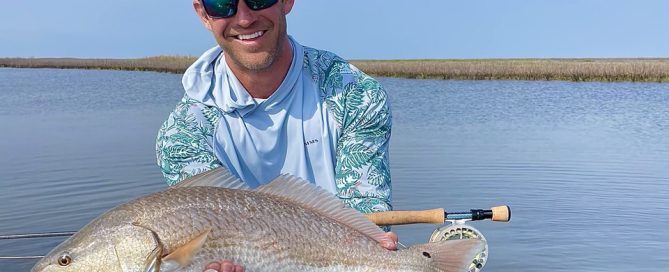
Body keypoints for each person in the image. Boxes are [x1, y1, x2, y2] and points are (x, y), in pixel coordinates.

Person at [156, 0, 395, 271]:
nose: (244, 19)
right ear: (203, 13)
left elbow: (367, 212)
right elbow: (203, 228)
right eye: (222, 4)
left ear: (287, 1)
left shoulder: (354, 94)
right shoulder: (183, 134)